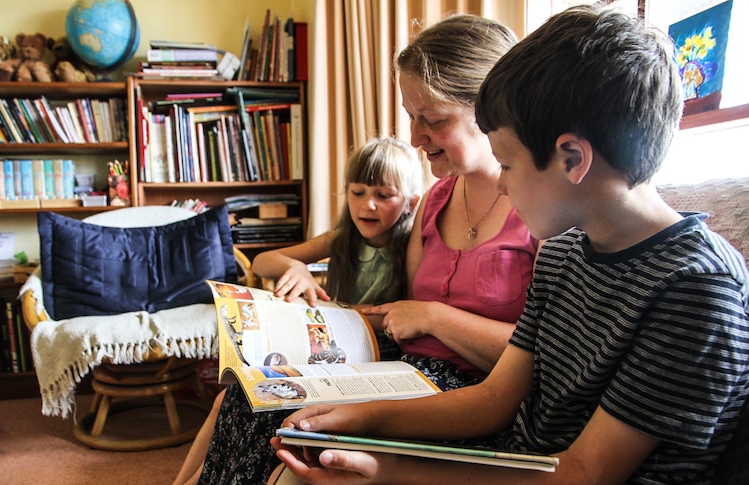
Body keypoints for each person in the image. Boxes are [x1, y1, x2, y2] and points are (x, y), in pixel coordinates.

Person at [271, 5, 749, 484]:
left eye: (506, 164)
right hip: (518, 458)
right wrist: (364, 418)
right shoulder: (565, 252)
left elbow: (582, 474)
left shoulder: (698, 291)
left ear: (573, 158)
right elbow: (495, 399)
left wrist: (393, 473)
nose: (501, 187)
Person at [176, 15, 539, 485]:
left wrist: (433, 317)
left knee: (302, 443)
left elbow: (541, 356)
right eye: (411, 116)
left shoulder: (539, 210)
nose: (414, 137)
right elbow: (398, 308)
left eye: (433, 120)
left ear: (492, 107)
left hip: (471, 393)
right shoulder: (434, 201)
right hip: (403, 368)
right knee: (253, 396)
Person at [174, 136, 425, 485]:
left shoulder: (412, 245)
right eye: (357, 192)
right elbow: (264, 261)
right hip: (330, 350)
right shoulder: (342, 238)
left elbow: (409, 314)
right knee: (227, 400)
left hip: (376, 358)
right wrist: (298, 267)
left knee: (256, 407)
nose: (367, 205)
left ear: (411, 203)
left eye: (383, 196)